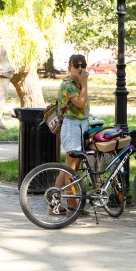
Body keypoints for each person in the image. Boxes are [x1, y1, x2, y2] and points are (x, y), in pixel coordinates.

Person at [51, 54, 90, 215]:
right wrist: (85, 83)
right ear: (69, 68)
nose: (80, 68)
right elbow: (80, 104)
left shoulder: (77, 83)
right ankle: (73, 207)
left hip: (81, 126)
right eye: (76, 65)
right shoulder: (68, 85)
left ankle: (53, 204)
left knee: (69, 167)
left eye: (83, 65)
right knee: (71, 169)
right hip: (72, 126)